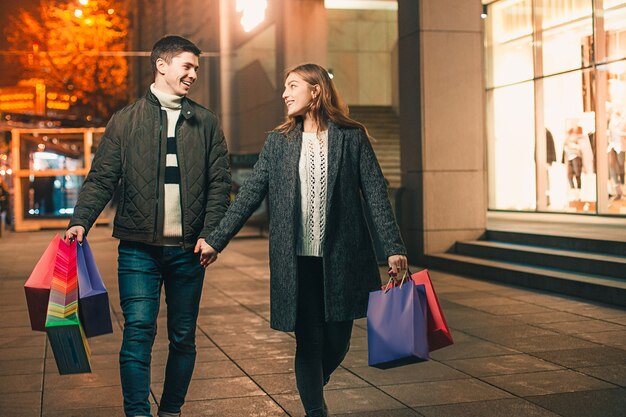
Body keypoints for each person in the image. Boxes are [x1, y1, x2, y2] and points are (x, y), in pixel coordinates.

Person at [198, 63, 407, 417]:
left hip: (341, 258)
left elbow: (375, 193)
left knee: (339, 340)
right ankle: (315, 409)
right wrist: (216, 240)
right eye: (284, 86)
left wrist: (394, 248)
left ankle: (310, 384)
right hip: (296, 262)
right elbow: (249, 195)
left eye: (293, 85)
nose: (285, 93)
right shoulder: (278, 142)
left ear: (316, 91)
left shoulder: (350, 137)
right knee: (308, 341)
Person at [65, 35, 231, 417]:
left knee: (183, 337)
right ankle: (137, 413)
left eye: (196, 69)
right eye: (187, 66)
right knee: (138, 329)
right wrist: (80, 222)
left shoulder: (205, 122)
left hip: (189, 251)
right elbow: (102, 178)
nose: (192, 75)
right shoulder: (125, 120)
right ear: (161, 64)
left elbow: (219, 185)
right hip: (138, 249)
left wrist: (212, 235)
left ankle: (170, 410)